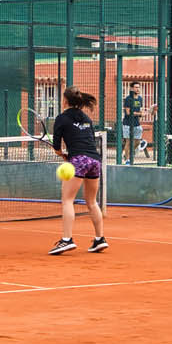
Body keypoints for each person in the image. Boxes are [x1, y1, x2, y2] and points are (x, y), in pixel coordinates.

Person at [48, 87, 108, 256]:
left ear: (65, 101)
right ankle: (100, 239)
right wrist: (70, 156)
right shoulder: (87, 118)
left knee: (67, 200)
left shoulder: (61, 118)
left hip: (79, 160)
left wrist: (63, 155)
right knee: (91, 201)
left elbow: (57, 147)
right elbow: (85, 140)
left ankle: (66, 240)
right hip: (95, 161)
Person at [119, 81, 146, 164]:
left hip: (137, 124)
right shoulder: (128, 99)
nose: (137, 89)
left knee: (137, 141)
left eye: (138, 87)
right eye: (136, 87)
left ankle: (127, 154)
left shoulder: (140, 98)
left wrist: (142, 114)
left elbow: (140, 110)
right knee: (128, 141)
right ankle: (127, 160)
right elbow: (128, 112)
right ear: (131, 88)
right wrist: (139, 113)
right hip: (127, 123)